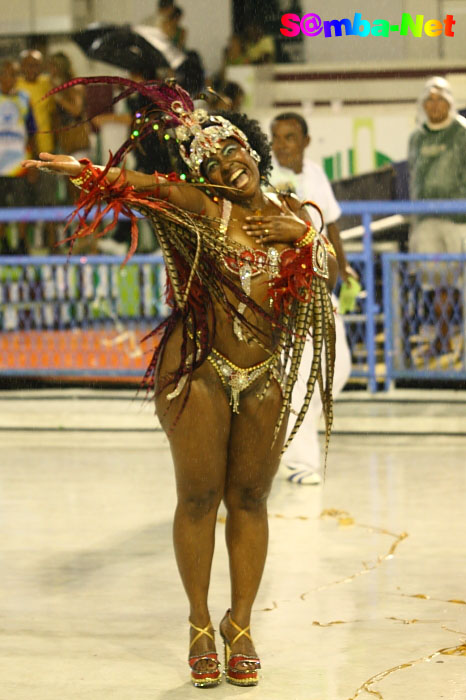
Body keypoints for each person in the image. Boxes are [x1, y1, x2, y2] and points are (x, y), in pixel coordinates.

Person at [23, 78, 337, 688]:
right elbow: (151, 187)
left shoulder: (295, 213)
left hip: (265, 375)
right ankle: (198, 622)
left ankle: (238, 623)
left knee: (249, 500)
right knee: (198, 498)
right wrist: (89, 170)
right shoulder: (203, 208)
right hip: (202, 373)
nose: (227, 163)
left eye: (233, 150)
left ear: (253, 149)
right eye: (211, 162)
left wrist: (306, 239)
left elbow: (329, 269)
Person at [269, 112, 356, 484]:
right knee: (304, 371)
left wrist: (345, 267)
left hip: (323, 278)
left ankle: (289, 444)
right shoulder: (265, 176)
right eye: (276, 137)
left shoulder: (316, 173)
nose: (281, 144)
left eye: (289, 137)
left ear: (305, 140)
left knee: (340, 366)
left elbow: (331, 225)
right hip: (289, 282)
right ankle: (301, 462)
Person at [408, 76, 466, 357]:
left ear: (449, 102)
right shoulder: (417, 138)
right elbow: (414, 180)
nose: (434, 105)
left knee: (461, 284)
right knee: (438, 283)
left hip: (460, 222)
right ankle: (442, 339)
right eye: (429, 99)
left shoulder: (462, 133)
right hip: (426, 222)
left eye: (439, 99)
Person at [17, 50, 57, 249]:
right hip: (22, 154)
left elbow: (54, 114)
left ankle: (53, 245)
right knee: (22, 203)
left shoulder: (46, 85)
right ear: (21, 67)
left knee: (49, 200)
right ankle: (22, 246)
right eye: (27, 64)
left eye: (35, 65)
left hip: (47, 152)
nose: (31, 69)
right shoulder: (15, 88)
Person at [0, 60, 36, 254]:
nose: (12, 79)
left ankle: (22, 242)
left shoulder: (24, 98)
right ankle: (3, 242)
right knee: (1, 206)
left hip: (20, 163)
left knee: (22, 205)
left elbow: (32, 132)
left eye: (15, 74)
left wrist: (33, 164)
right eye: (7, 74)